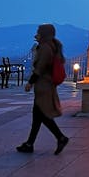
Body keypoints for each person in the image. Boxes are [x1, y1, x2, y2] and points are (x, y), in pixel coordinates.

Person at [16, 24, 69, 155]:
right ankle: (29, 144)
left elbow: (40, 67)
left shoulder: (45, 48)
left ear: (44, 34)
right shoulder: (51, 45)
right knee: (37, 116)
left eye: (38, 32)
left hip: (43, 85)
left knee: (42, 115)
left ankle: (61, 137)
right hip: (45, 85)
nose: (36, 34)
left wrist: (30, 82)